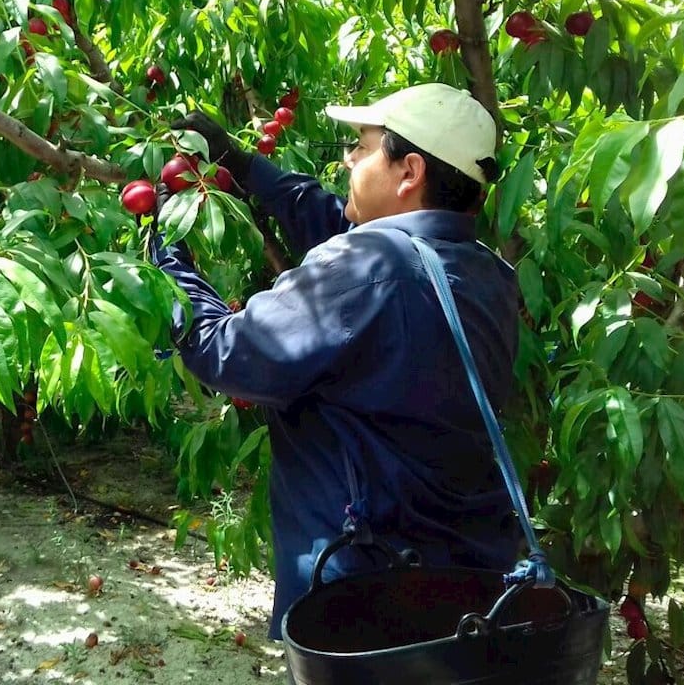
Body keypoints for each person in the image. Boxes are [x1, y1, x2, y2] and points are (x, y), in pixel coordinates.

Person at [150, 81, 521, 641]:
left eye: (363, 147)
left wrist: (166, 247)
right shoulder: (486, 273)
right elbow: (342, 232)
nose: (348, 158)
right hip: (463, 582)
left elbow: (220, 349)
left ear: (410, 171)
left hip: (363, 596)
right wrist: (243, 165)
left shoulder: (368, 267)